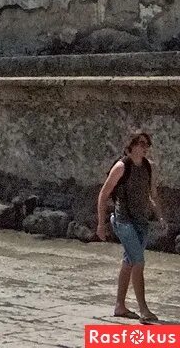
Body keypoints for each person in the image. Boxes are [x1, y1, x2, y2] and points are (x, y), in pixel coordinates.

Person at [97, 132, 162, 323]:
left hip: (141, 222)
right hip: (123, 222)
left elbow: (153, 195)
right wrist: (101, 224)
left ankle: (120, 306)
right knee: (138, 262)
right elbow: (103, 195)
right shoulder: (121, 167)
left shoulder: (148, 167)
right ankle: (144, 310)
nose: (145, 147)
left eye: (147, 144)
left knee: (129, 262)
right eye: (141, 143)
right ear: (131, 146)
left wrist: (160, 216)